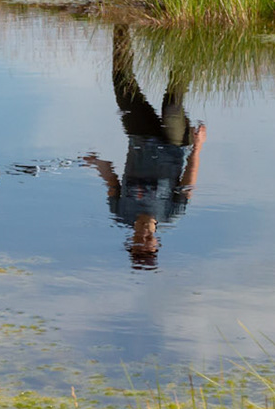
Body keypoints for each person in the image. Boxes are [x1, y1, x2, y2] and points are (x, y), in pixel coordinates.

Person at [82, 25, 206, 269]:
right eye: (148, 242)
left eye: (137, 241)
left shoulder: (120, 212)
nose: (143, 236)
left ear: (131, 240)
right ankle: (186, 33)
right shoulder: (172, 212)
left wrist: (96, 163)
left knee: (122, 86)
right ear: (156, 242)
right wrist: (198, 146)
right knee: (172, 105)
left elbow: (111, 179)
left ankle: (121, 24)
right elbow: (188, 181)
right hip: (175, 143)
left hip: (139, 138)